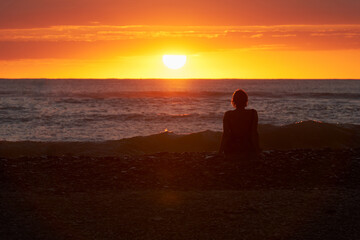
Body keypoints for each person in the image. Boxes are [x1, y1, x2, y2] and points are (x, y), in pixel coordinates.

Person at [219, 89, 260, 159]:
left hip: (232, 148)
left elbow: (225, 134)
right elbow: (254, 133)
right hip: (248, 148)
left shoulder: (228, 114)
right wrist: (257, 151)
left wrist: (220, 151)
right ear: (246, 101)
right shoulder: (253, 113)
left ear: (234, 101)